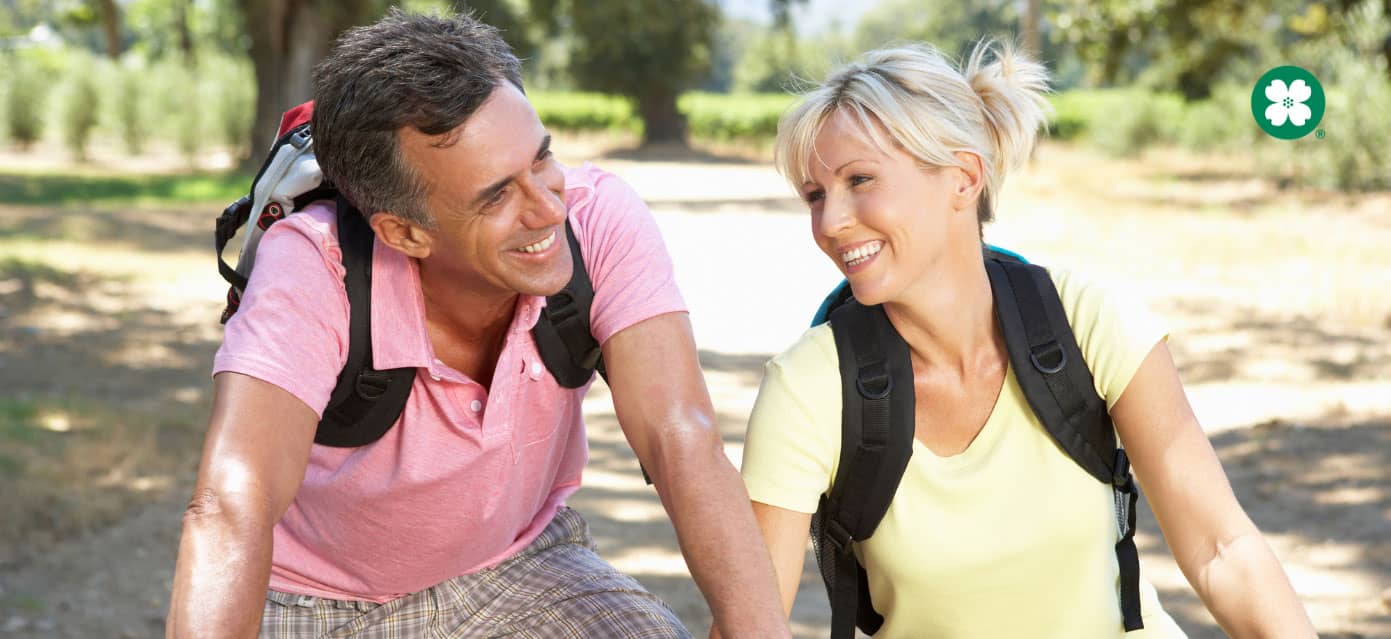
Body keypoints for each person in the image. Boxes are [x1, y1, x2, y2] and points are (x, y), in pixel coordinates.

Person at [166, 10, 789, 639]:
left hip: (523, 566)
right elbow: (230, 508)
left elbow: (681, 437)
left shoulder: (597, 219)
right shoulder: (313, 266)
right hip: (317, 603)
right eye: (496, 196)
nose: (548, 209)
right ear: (404, 231)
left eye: (542, 160)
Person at [737, 41, 1317, 638]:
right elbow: (751, 622)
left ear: (963, 178)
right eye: (815, 195)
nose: (830, 223)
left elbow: (1222, 550)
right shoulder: (808, 388)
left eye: (860, 180)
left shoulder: (1087, 322)